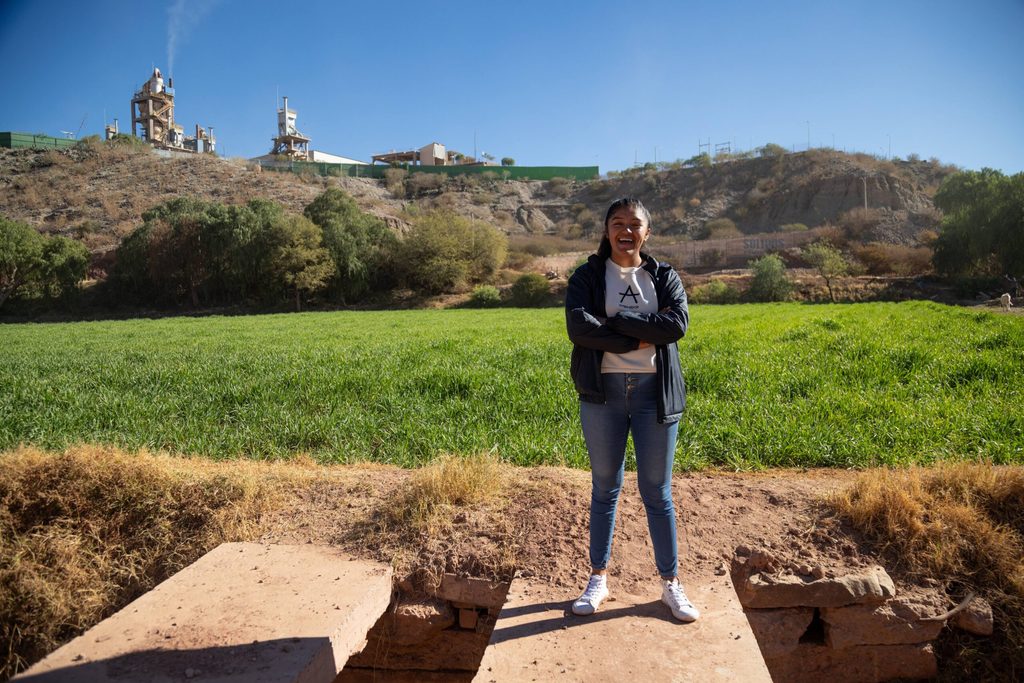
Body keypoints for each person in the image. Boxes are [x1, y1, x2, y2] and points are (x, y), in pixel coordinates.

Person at [564, 196, 698, 622]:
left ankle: (671, 584)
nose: (626, 230)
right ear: (606, 231)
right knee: (605, 488)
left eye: (634, 224)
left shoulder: (664, 275)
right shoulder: (587, 275)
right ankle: (598, 579)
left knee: (657, 491)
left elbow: (675, 324)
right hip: (602, 395)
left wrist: (614, 323)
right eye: (617, 223)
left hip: (652, 395)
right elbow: (578, 327)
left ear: (647, 232)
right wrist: (641, 333)